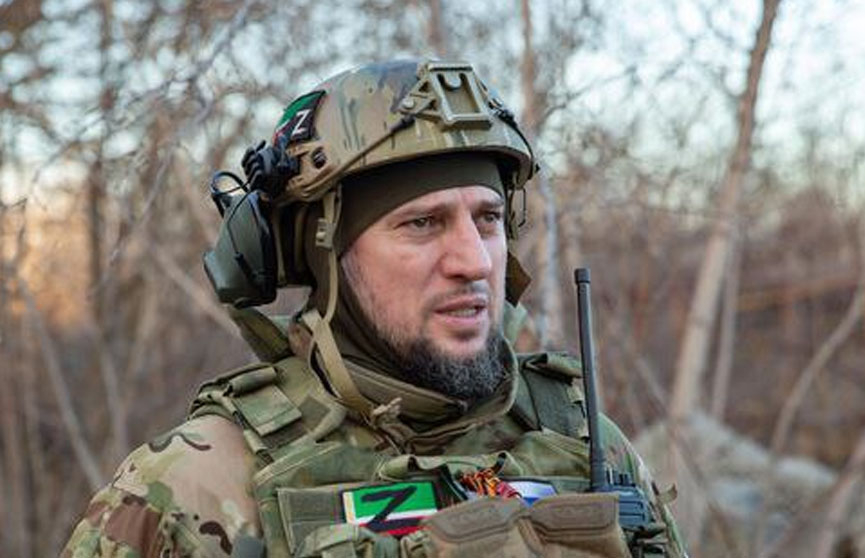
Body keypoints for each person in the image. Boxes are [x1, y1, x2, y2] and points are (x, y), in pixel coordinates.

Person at [62, 60, 687, 558]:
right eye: (422, 223)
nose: (474, 261)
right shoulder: (193, 486)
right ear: (325, 255)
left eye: (488, 218)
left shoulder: (583, 441)